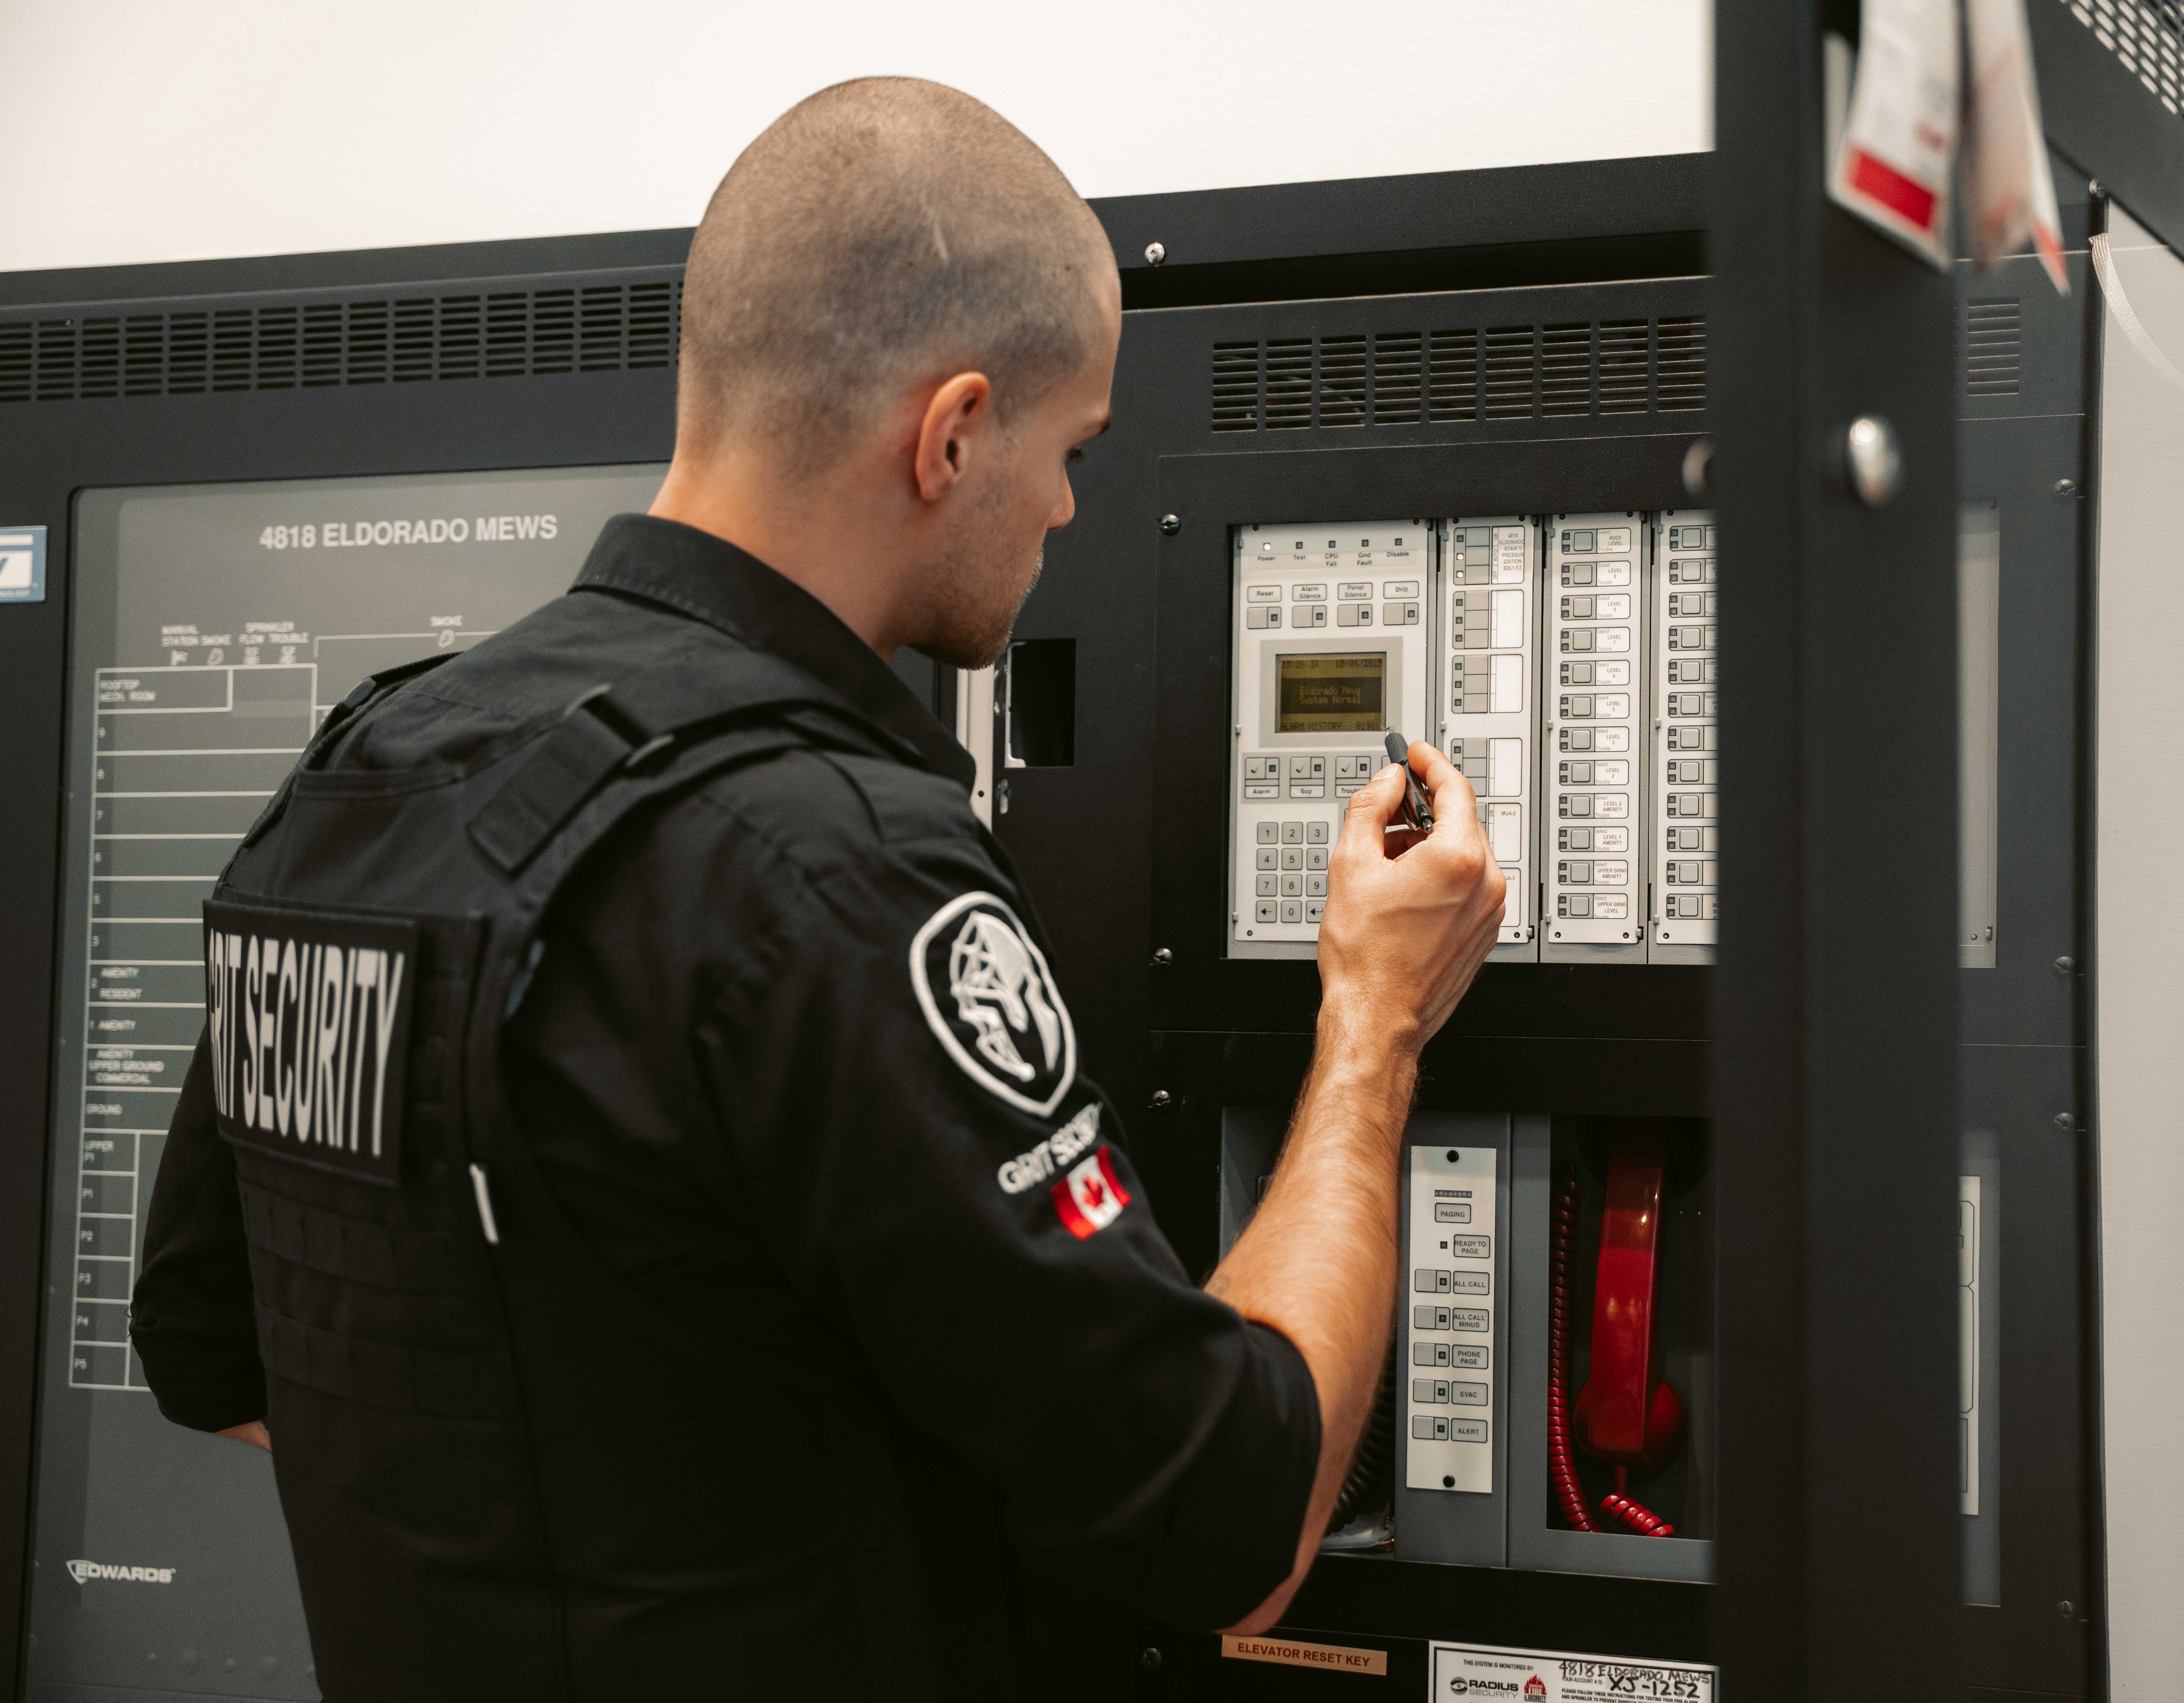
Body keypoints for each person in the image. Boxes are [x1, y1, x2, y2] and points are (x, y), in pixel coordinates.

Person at [130, 76, 1505, 1700]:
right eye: (1068, 451)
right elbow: (1230, 1518)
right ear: (953, 432)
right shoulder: (833, 866)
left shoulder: (360, 784)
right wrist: (1375, 1021)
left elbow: (215, 1354)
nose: (1069, 505)